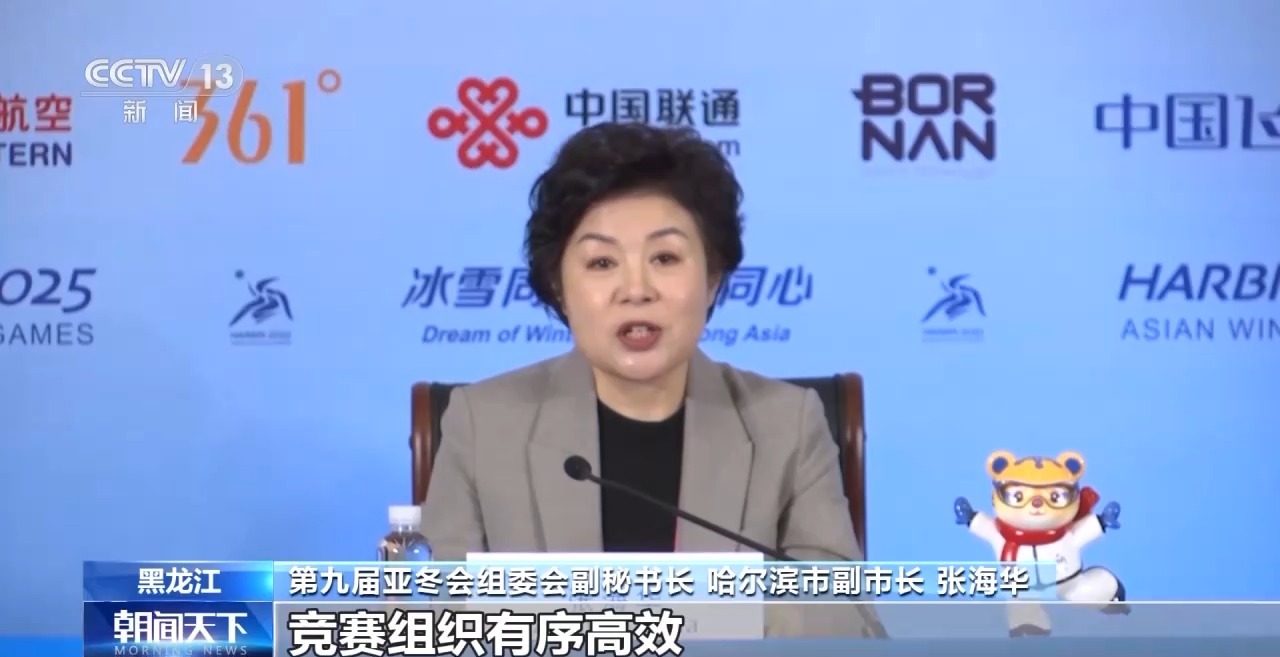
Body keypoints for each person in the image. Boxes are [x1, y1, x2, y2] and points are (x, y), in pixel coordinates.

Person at [420, 122, 885, 638]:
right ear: (559, 286)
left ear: (712, 279)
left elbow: (850, 626)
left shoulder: (786, 426)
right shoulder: (483, 425)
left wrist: (674, 616)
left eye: (665, 258)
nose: (636, 289)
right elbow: (430, 625)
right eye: (602, 262)